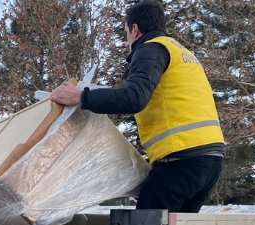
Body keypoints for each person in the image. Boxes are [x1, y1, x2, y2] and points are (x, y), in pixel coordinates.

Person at [50, 0, 225, 213]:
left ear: (135, 29)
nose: (127, 41)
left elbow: (134, 98)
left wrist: (81, 97)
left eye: (126, 33)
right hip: (210, 160)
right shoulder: (180, 52)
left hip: (180, 159)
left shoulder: (150, 48)